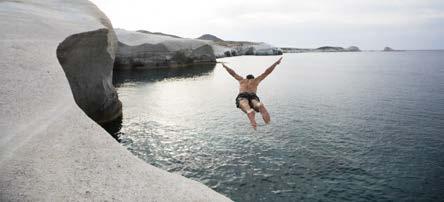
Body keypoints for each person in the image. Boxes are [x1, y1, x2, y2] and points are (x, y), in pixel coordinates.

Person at [222, 57, 283, 129]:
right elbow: (267, 72)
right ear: (253, 78)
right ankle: (259, 105)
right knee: (255, 103)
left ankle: (249, 110)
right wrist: (276, 63)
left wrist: (225, 66)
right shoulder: (256, 80)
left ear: (246, 78)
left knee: (244, 103)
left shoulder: (242, 80)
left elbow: (233, 73)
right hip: (253, 95)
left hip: (243, 94)